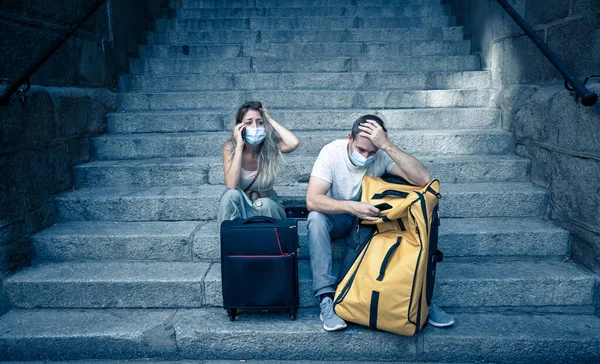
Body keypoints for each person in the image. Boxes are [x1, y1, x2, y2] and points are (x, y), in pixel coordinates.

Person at [305, 114, 455, 331]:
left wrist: (385, 145)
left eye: (372, 151)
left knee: (403, 231)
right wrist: (352, 207)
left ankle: (420, 299)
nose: (366, 156)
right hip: (341, 215)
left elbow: (424, 179)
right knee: (315, 219)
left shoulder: (381, 154)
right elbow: (312, 199)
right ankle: (326, 298)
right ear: (350, 138)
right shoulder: (331, 152)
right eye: (361, 150)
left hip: (372, 221)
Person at [217, 101, 300, 224]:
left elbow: (293, 143)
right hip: (243, 207)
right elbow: (231, 185)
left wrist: (270, 120)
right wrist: (239, 146)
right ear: (239, 126)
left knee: (265, 204)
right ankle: (231, 240)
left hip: (268, 207)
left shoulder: (271, 145)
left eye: (260, 122)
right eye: (249, 123)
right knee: (230, 196)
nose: (255, 127)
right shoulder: (230, 148)